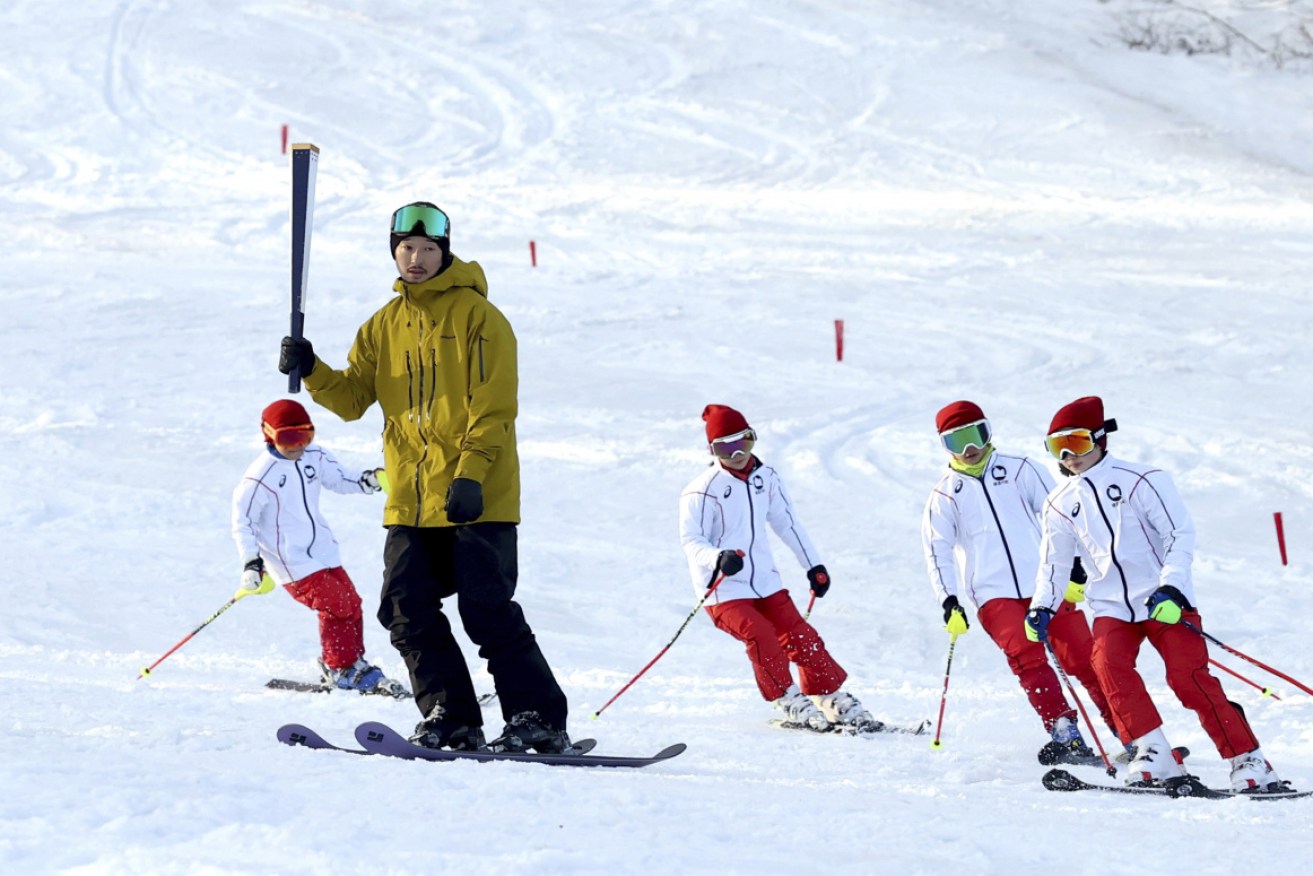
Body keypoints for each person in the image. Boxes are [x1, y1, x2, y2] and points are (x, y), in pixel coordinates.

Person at [277, 201, 571, 754]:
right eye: (406, 249)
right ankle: (449, 715)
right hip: (411, 500)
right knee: (404, 608)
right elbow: (352, 400)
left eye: (428, 250)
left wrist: (472, 474)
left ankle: (537, 717)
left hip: (477, 494)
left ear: (445, 253)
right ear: (394, 251)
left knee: (486, 611)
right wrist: (312, 369)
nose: (416, 259)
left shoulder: (480, 318)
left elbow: (494, 406)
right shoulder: (382, 326)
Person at [1025, 396, 1282, 792]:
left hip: (1164, 602)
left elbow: (1179, 534)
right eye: (1055, 447)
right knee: (1109, 668)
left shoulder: (1142, 480)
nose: (1066, 456)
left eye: (1075, 443)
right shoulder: (1059, 503)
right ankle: (1153, 752)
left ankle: (1248, 759)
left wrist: (1172, 587)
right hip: (1111, 606)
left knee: (1188, 678)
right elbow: (1053, 564)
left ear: (1099, 439)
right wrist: (1042, 605)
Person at [921, 400, 1116, 765]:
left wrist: (1074, 568)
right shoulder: (945, 495)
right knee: (1027, 658)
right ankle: (1065, 732)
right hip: (993, 594)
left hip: (1046, 584)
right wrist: (949, 600)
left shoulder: (1020, 469)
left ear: (988, 431)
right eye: (957, 440)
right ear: (944, 446)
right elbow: (938, 551)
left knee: (1083, 659)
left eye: (975, 434)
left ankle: (1129, 730)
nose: (969, 448)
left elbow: (1059, 516)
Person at [679, 404, 883, 733]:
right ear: (712, 451)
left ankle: (828, 694)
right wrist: (717, 557)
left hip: (765, 583)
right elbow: (691, 541)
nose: (737, 454)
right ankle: (787, 697)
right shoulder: (702, 490)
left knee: (802, 636)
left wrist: (813, 565)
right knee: (760, 635)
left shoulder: (766, 478)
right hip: (723, 589)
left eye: (743, 443)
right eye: (725, 448)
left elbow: (787, 523)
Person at [232, 399, 407, 697]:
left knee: (352, 603)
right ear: (269, 435)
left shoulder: (314, 456)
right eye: (289, 437)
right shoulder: (259, 478)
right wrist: (252, 563)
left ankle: (353, 664)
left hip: (323, 552)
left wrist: (368, 481)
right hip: (291, 562)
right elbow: (242, 522)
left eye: (306, 435)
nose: (298, 445)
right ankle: (340, 668)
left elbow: (339, 479)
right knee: (336, 605)